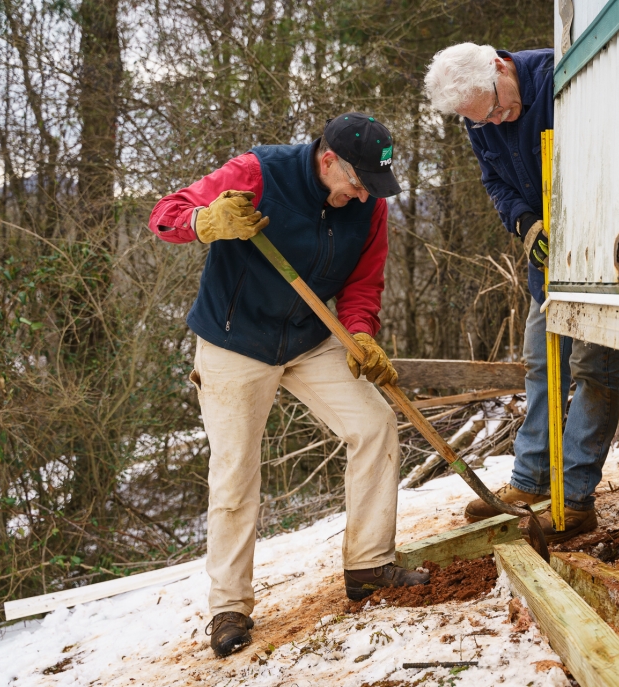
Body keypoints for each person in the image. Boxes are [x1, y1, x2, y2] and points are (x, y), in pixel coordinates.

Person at [148, 113, 428, 659]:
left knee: (373, 424)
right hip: (235, 342)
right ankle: (229, 607)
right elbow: (165, 215)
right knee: (235, 470)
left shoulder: (371, 206)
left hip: (307, 335)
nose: (361, 195)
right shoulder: (257, 172)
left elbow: (364, 283)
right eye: (356, 183)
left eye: (371, 187)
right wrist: (208, 221)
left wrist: (363, 335)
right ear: (328, 161)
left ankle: (369, 566)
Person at [424, 44, 619, 542]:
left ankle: (575, 498)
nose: (493, 121)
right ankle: (532, 481)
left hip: (599, 253)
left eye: (495, 108)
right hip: (548, 261)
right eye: (480, 119)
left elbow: (611, 158)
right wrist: (525, 223)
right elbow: (495, 182)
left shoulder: (565, 77)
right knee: (541, 364)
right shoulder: (479, 116)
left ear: (498, 66)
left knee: (592, 369)